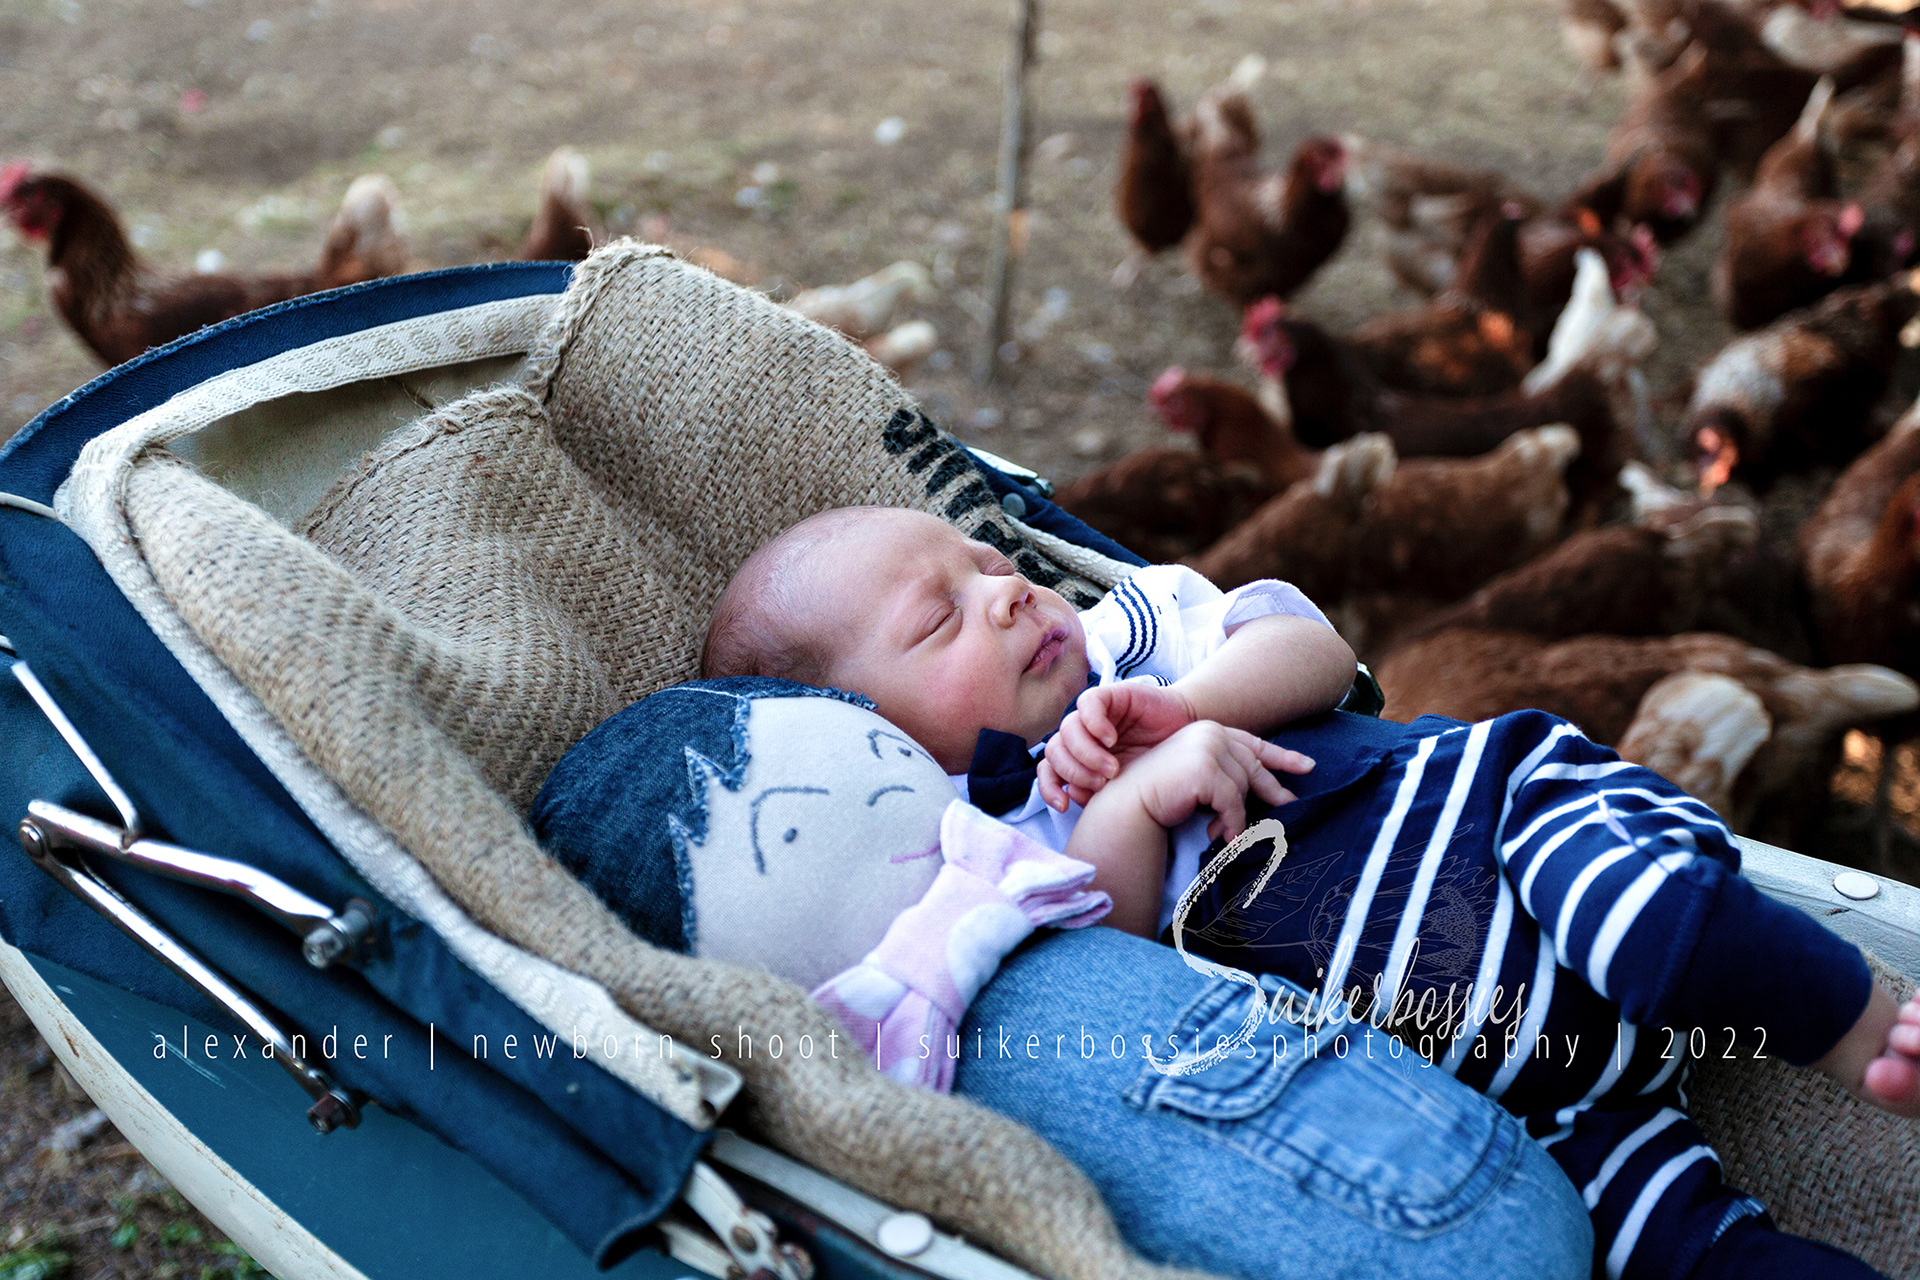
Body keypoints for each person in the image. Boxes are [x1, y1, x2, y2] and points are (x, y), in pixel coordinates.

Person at [701, 504, 1920, 1280]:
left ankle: (1865, 1027)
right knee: (1661, 1246)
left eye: (983, 559)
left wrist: (1194, 708)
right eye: (940, 617)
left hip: (1498, 827)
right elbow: (1113, 945)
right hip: (1482, 1069)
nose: (1004, 590)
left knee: (1650, 914)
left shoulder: (1144, 633)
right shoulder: (983, 839)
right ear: (878, 739)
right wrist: (1133, 801)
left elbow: (1319, 645)